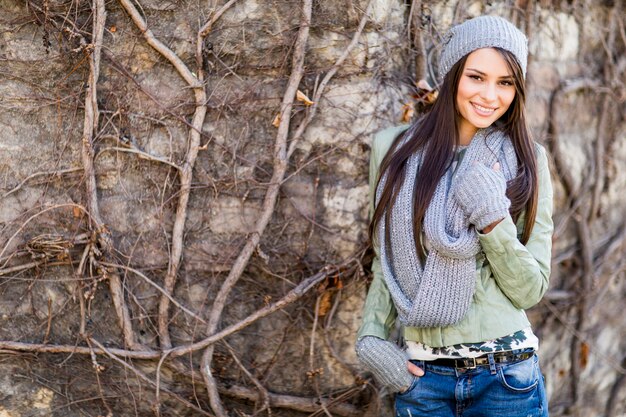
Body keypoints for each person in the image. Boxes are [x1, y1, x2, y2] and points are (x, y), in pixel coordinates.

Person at [355, 15, 553, 417]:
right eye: (476, 77)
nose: (490, 95)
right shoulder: (392, 149)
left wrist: (492, 217)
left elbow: (530, 290)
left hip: (507, 377)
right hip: (422, 380)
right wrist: (372, 338)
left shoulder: (529, 159)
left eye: (505, 82)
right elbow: (386, 259)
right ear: (451, 76)